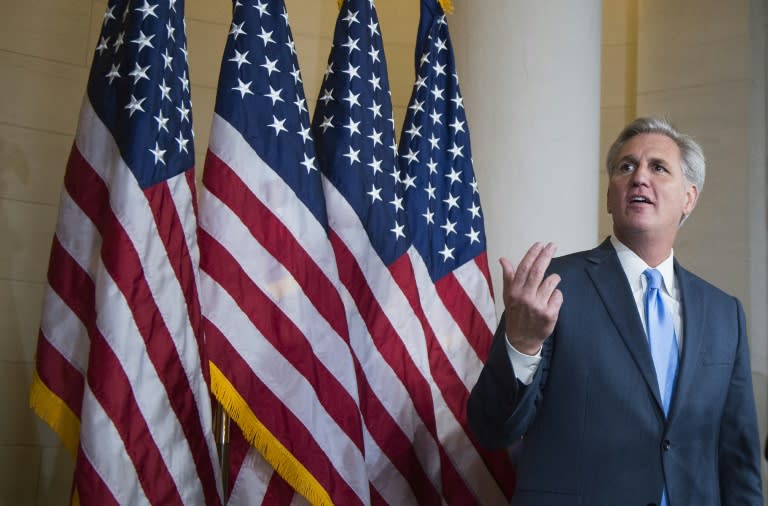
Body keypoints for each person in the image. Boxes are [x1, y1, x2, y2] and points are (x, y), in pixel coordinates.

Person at [467, 117, 763, 505]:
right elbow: (492, 429)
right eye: (627, 167)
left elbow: (738, 458)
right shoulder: (552, 288)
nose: (640, 177)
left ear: (689, 198)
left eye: (658, 168)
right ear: (610, 196)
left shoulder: (725, 314)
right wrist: (521, 345)